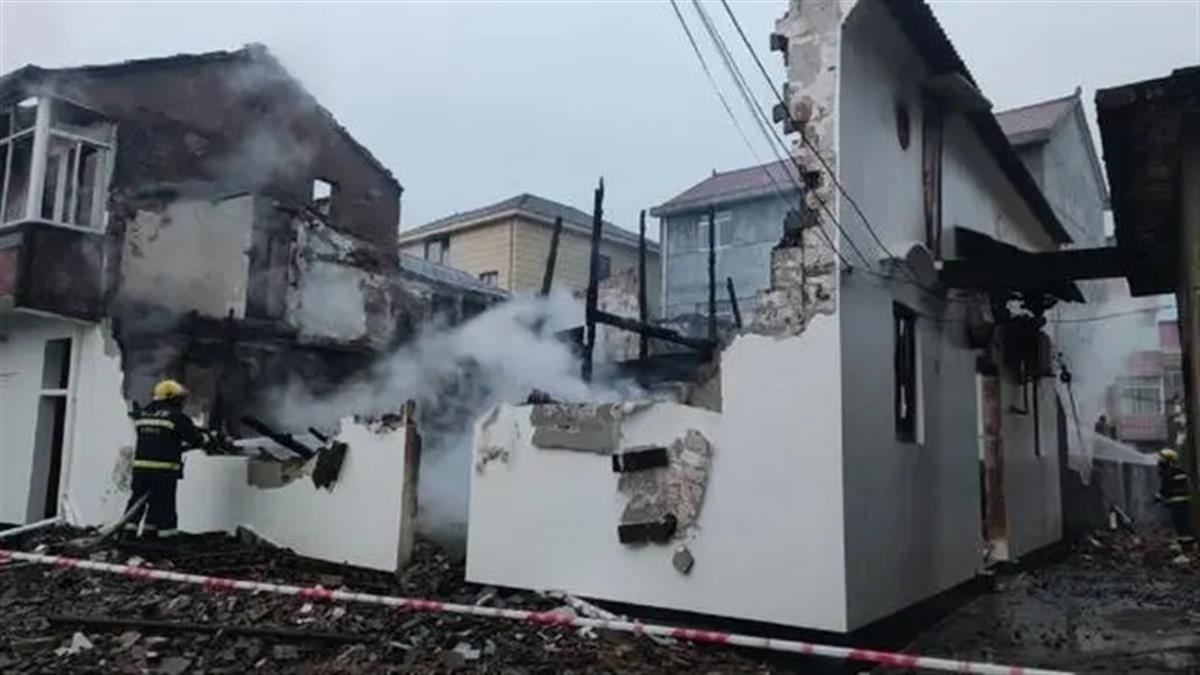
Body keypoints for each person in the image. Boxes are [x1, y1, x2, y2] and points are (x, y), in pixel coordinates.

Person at [123, 379, 208, 539]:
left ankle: (129, 533)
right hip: (163, 471)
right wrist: (208, 439)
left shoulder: (143, 414)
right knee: (164, 505)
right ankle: (166, 538)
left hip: (141, 470)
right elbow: (196, 439)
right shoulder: (176, 417)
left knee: (137, 502)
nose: (182, 402)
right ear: (172, 398)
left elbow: (158, 437)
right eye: (180, 398)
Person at [1156, 448, 1193, 541]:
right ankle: (1185, 542)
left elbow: (1166, 487)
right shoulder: (1177, 471)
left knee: (1180, 523)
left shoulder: (1169, 472)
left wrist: (1159, 496)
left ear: (1168, 459)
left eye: (1162, 458)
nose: (1159, 461)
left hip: (1177, 501)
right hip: (1182, 501)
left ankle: (1185, 542)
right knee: (1182, 522)